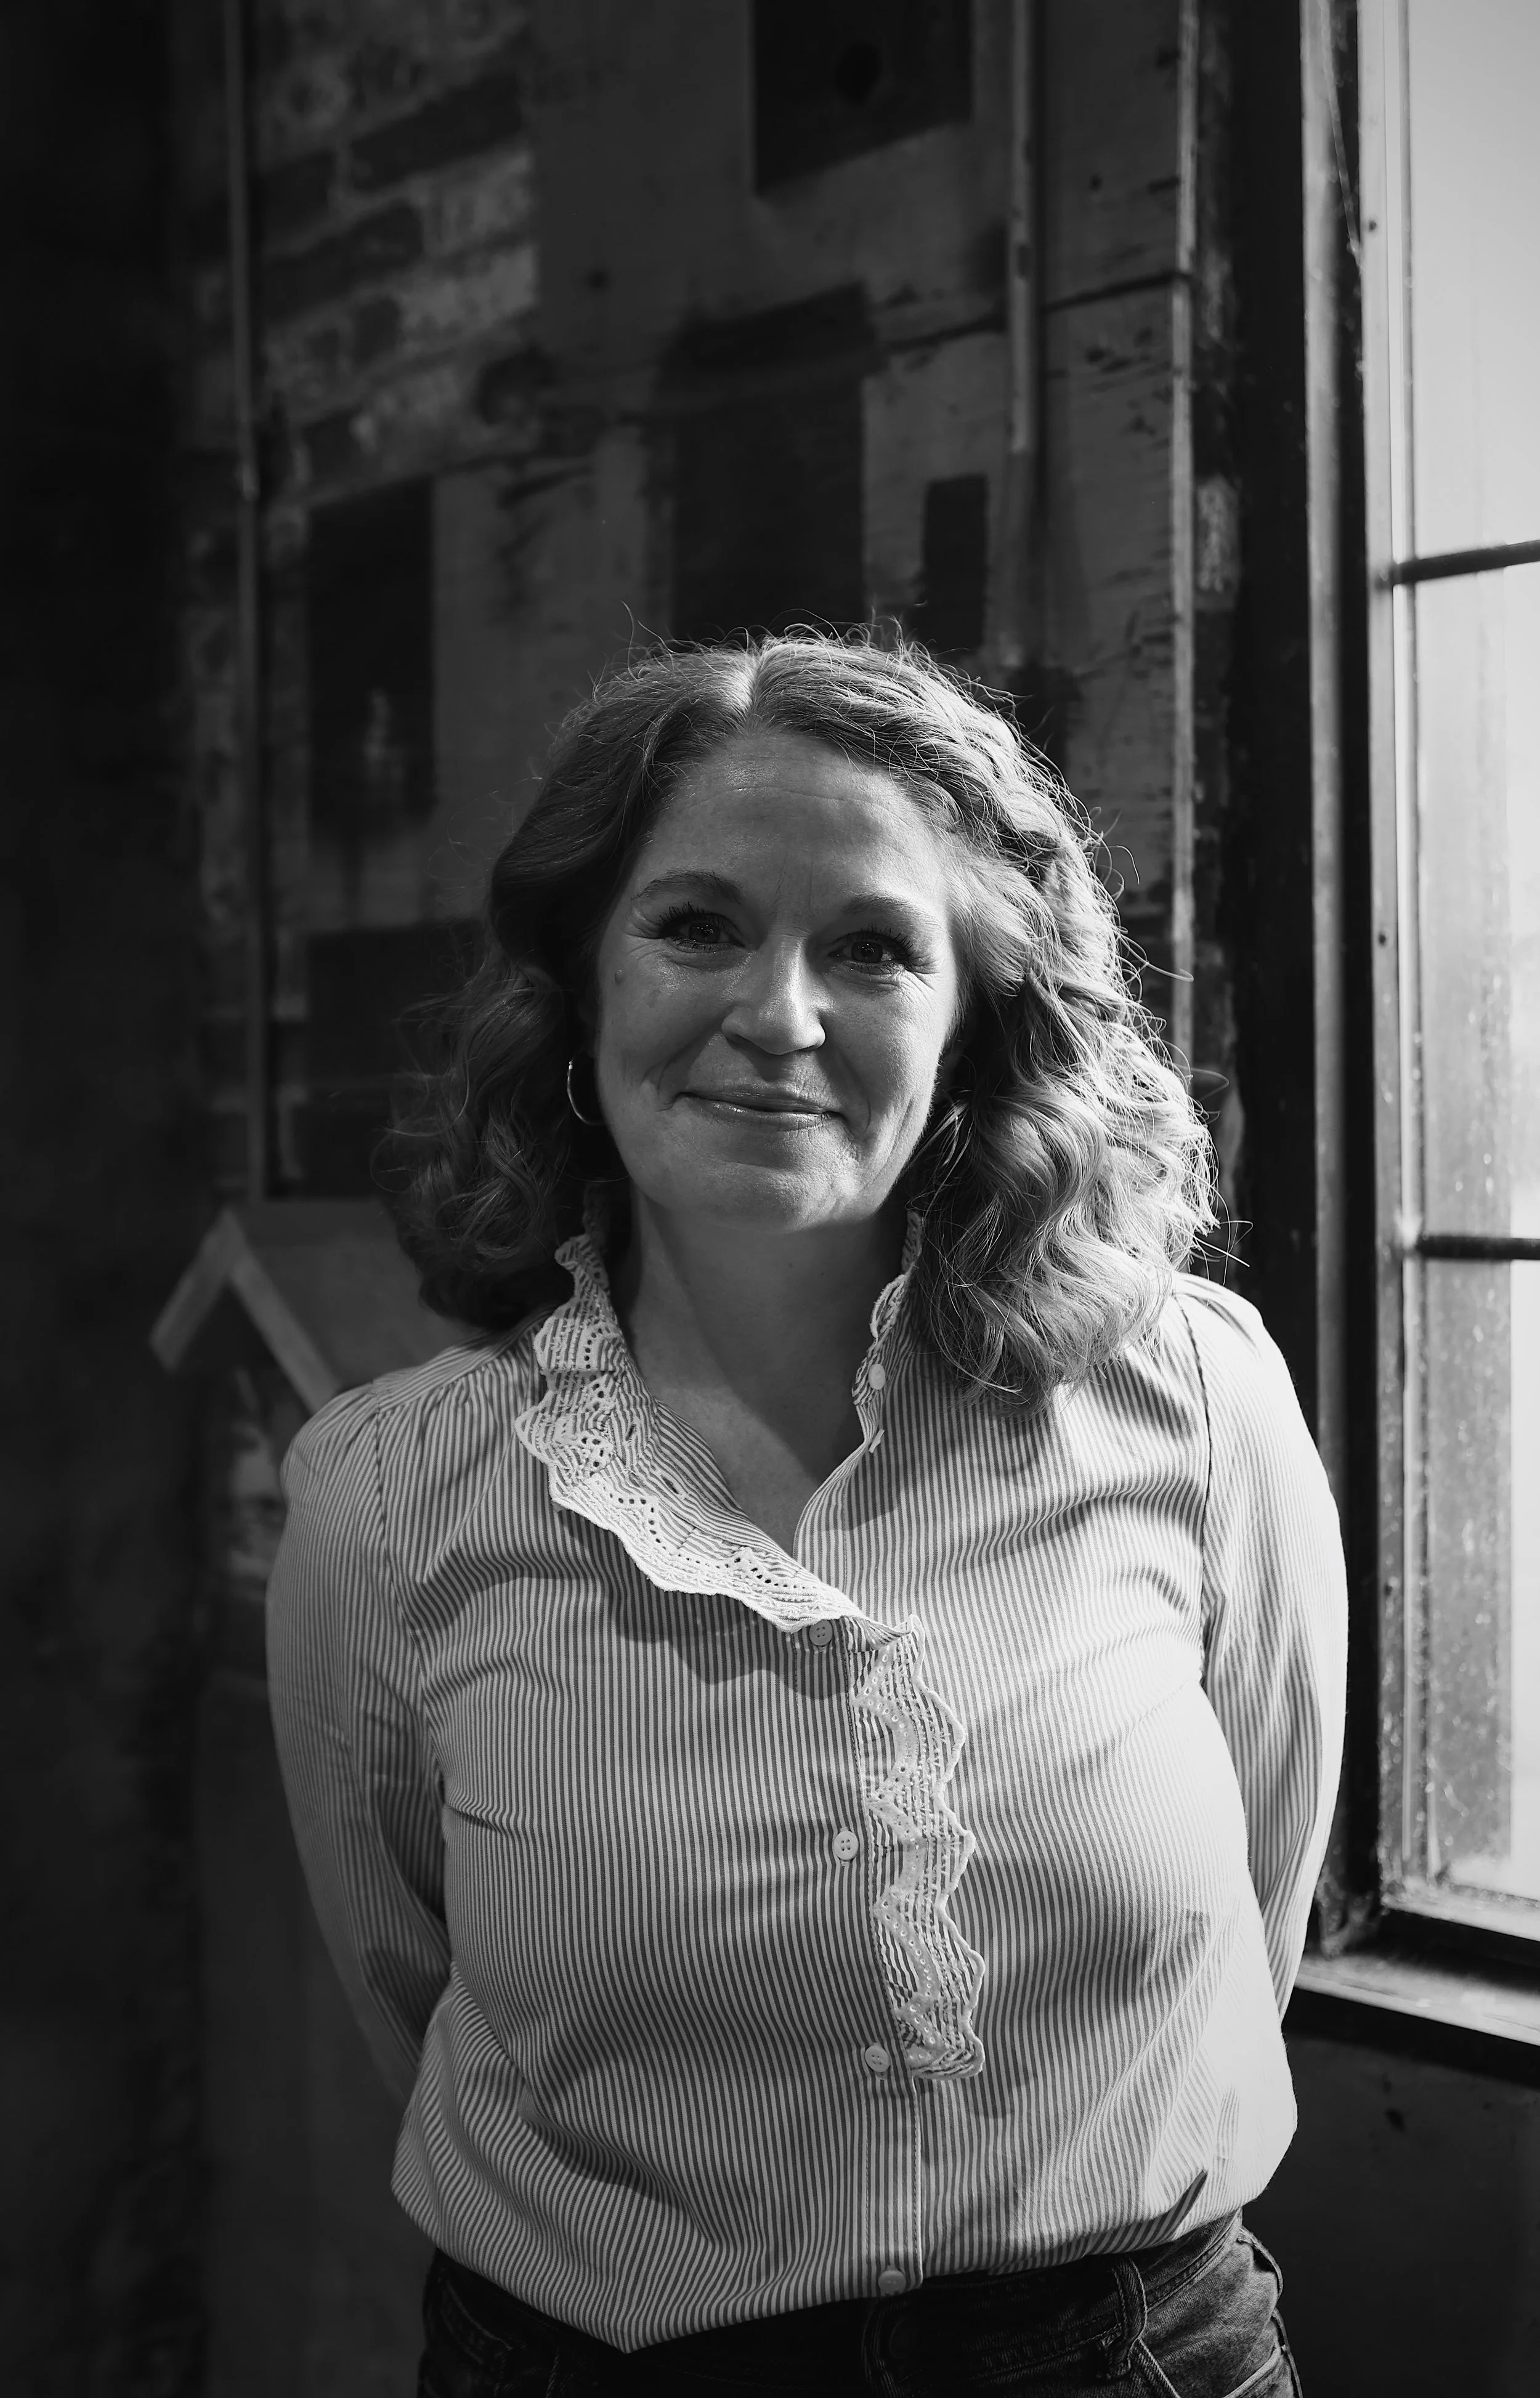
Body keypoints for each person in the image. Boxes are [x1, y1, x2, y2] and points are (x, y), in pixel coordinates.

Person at [268, 632, 1345, 2397]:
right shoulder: (385, 1497)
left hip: (1133, 2358)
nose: (780, 1014)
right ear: (578, 990)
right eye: (697, 925)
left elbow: (1260, 1911)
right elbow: (412, 1996)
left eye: (872, 947)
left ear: (973, 1021)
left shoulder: (1195, 1397)